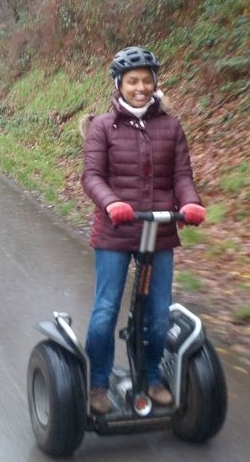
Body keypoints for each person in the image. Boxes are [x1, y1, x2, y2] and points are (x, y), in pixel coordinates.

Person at [80, 46, 206, 415]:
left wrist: (190, 203)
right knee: (105, 310)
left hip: (160, 229)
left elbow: (181, 176)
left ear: (155, 84)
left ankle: (151, 377)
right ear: (119, 85)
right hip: (116, 230)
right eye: (132, 81)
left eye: (146, 81)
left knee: (159, 314)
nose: (140, 87)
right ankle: (98, 384)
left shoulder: (170, 125)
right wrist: (111, 203)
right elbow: (92, 176)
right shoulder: (103, 126)